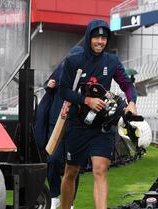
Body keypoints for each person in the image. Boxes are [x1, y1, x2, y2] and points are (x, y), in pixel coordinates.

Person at [59, 19, 137, 209]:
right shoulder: (74, 61)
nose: (100, 41)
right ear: (89, 38)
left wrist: (132, 103)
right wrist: (86, 101)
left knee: (100, 171)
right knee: (71, 171)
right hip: (77, 124)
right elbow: (63, 90)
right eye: (96, 37)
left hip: (102, 126)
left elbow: (127, 85)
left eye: (104, 38)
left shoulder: (112, 61)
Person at [35, 64, 80, 209]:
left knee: (72, 166)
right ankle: (54, 196)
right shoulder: (62, 68)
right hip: (55, 123)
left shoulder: (87, 72)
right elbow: (48, 84)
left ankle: (70, 202)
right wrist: (49, 85)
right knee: (52, 160)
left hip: (75, 125)